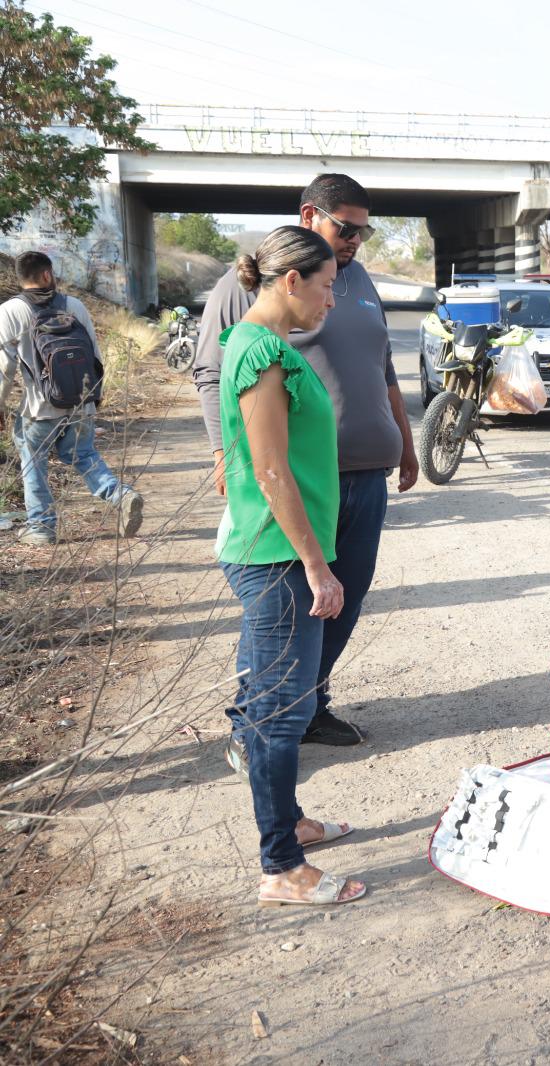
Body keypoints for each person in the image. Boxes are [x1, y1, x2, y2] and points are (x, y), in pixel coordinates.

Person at [195, 173, 417, 749]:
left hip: (366, 476)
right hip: (298, 481)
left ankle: (310, 705)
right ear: (310, 215)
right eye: (347, 228)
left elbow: (383, 366)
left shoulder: (357, 280)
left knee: (343, 599)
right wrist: (223, 453)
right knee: (282, 609)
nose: (355, 242)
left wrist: (407, 439)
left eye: (365, 232)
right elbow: (212, 372)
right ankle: (257, 723)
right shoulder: (253, 285)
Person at [215, 227, 365, 908]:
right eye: (327, 285)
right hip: (278, 557)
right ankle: (281, 864)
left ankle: (291, 823)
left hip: (273, 551)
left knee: (275, 706)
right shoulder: (260, 351)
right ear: (291, 281)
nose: (333, 299)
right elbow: (273, 469)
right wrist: (316, 565)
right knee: (280, 715)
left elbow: (257, 457)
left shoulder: (259, 346)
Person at [0, 252, 143, 546]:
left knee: (33, 461)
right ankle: (121, 495)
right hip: (81, 401)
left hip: (39, 408)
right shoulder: (74, 305)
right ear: (47, 275)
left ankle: (41, 527)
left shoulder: (10, 311)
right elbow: (94, 356)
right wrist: (93, 399)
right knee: (84, 454)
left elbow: (5, 367)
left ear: (20, 277)